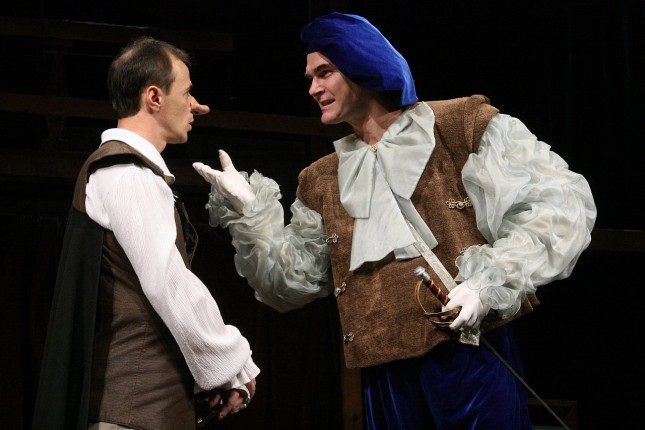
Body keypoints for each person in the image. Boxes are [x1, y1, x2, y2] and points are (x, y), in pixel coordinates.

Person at [193, 12, 596, 430]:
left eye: (325, 73)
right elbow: (290, 281)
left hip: (469, 356)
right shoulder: (322, 179)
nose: (313, 88)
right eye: (310, 78)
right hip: (384, 370)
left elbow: (555, 206)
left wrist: (487, 282)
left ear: (362, 65)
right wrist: (249, 211)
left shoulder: (459, 126)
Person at [32, 36, 259, 430]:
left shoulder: (128, 172)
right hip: (134, 414)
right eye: (186, 92)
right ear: (154, 97)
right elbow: (167, 281)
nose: (197, 105)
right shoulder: (128, 174)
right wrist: (234, 362)